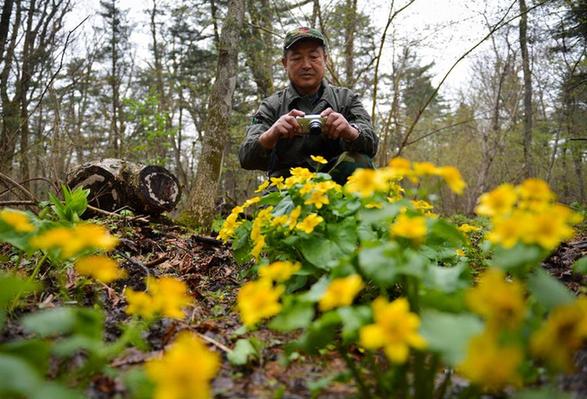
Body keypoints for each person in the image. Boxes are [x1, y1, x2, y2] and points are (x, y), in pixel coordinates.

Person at [239, 27, 378, 184]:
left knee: (361, 162)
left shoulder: (346, 99)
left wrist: (350, 132)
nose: (306, 65)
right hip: (286, 188)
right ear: (285, 63)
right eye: (297, 58)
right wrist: (272, 134)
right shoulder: (271, 106)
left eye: (313, 57)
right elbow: (246, 157)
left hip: (338, 185)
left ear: (325, 59)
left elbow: (372, 144)